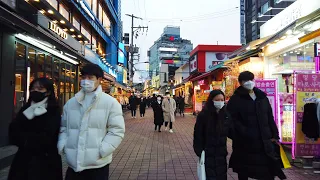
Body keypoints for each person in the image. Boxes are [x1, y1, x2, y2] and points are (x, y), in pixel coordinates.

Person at [58, 64, 125, 180]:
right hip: (73, 165)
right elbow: (64, 127)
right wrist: (63, 145)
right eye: (83, 77)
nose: (85, 81)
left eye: (90, 78)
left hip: (98, 166)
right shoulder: (70, 103)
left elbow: (117, 130)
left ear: (99, 80)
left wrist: (102, 150)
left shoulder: (111, 103)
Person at [227, 71, 286, 180]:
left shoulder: (262, 97)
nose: (248, 82)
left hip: (264, 141)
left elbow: (269, 117)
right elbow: (231, 120)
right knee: (244, 170)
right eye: (245, 80)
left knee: (267, 171)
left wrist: (275, 135)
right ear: (240, 83)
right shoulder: (235, 99)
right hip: (244, 143)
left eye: (251, 79)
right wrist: (244, 132)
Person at [8, 78, 63, 180]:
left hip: (46, 162)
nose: (35, 91)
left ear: (48, 92)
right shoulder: (26, 108)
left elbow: (48, 136)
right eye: (33, 88)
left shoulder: (53, 110)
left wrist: (26, 139)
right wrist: (25, 140)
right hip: (23, 161)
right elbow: (13, 130)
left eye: (40, 88)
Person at [193, 90, 233, 180]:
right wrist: (199, 151)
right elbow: (198, 134)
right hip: (207, 154)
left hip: (221, 154)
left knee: (221, 176)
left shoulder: (226, 115)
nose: (220, 102)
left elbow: (231, 132)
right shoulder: (204, 115)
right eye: (217, 100)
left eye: (222, 100)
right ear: (211, 100)